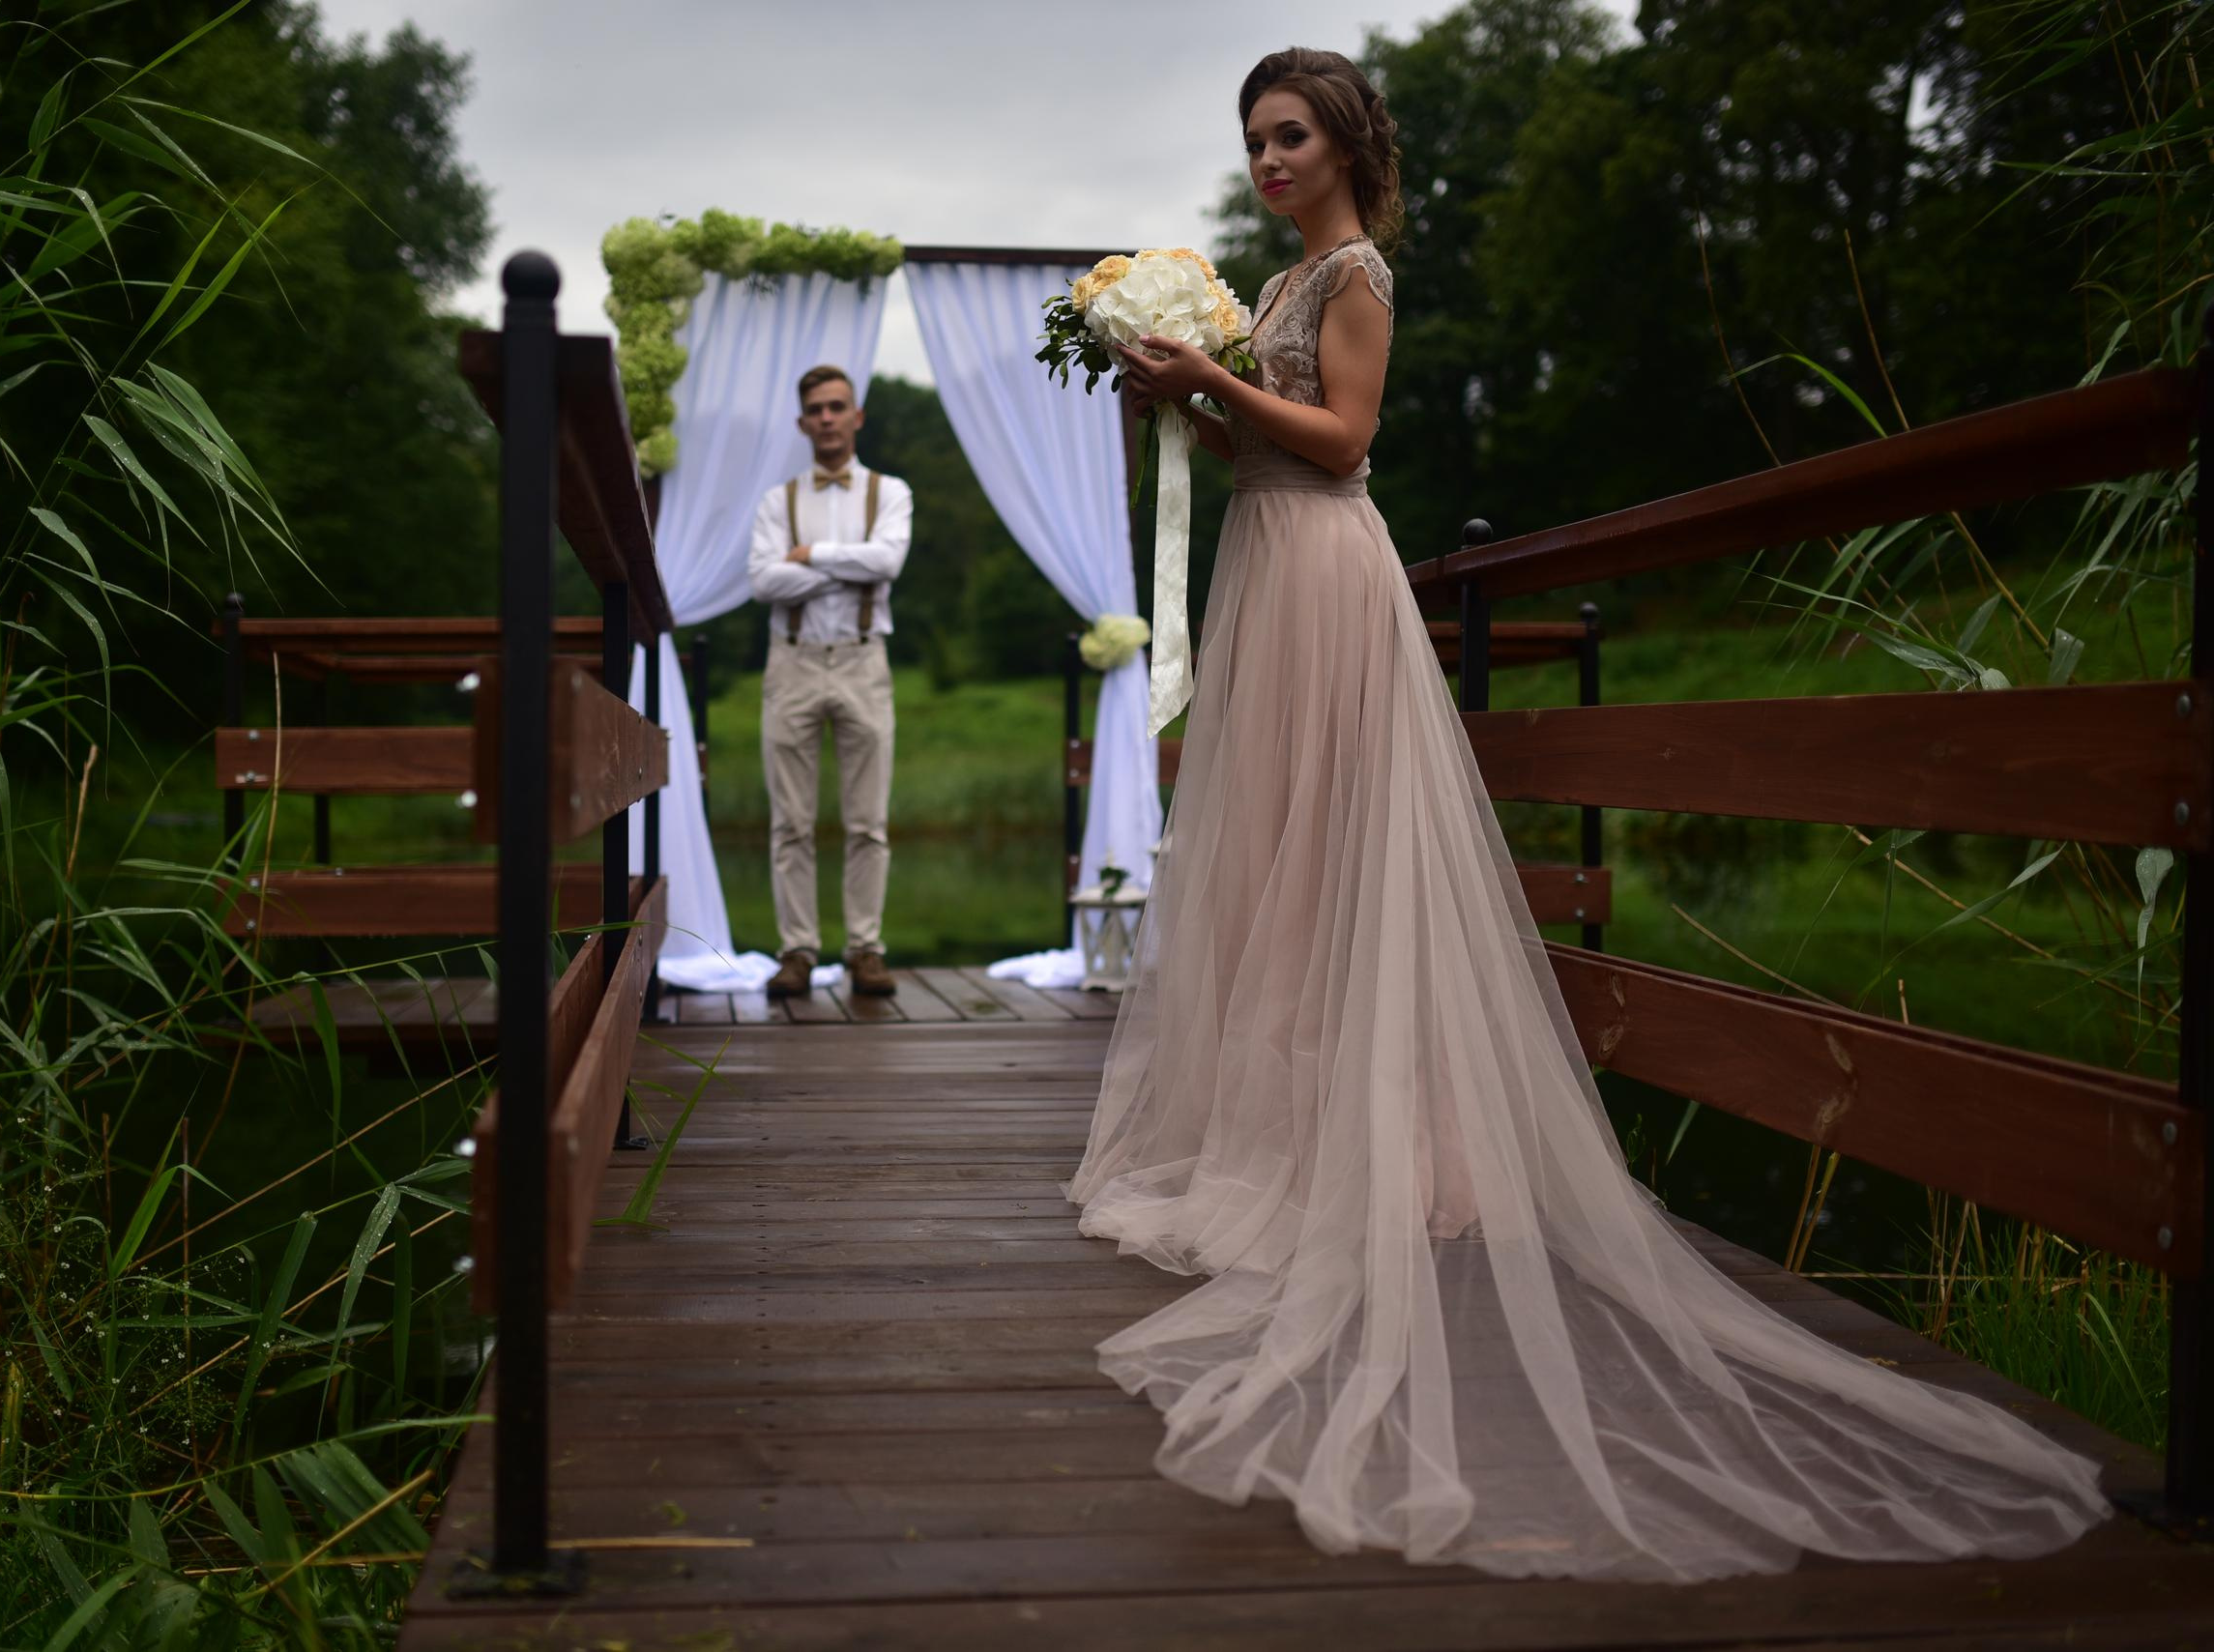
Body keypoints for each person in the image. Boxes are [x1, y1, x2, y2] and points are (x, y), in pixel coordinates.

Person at [1067, 44, 2110, 1580]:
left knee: (1338, 856)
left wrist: (1212, 379)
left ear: (1346, 141)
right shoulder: (1276, 287)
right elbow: (1251, 448)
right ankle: (1278, 1143)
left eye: (1289, 135)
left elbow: (1350, 443)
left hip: (1334, 576)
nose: (1270, 159)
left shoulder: (1351, 271)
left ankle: (1376, 1155)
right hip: (1262, 574)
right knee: (1276, 865)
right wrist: (1170, 397)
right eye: (1255, 140)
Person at [745, 365, 912, 999]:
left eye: (837, 406)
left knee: (868, 821)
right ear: (802, 421)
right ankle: (797, 950)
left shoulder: (890, 491)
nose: (826, 417)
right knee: (790, 821)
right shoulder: (776, 500)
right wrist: (852, 566)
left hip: (865, 662)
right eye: (815, 408)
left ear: (857, 416)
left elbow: (888, 562)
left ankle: (865, 949)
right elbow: (763, 583)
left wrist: (808, 555)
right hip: (791, 663)